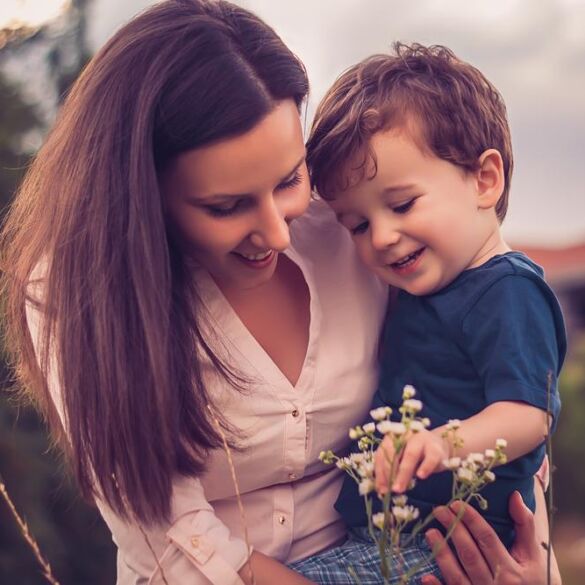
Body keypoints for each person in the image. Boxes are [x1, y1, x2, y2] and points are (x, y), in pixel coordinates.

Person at [0, 2, 560, 584]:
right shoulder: (76, 299)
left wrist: (536, 568)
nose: (276, 231)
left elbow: (501, 401)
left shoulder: (358, 226)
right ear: (143, 197)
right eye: (226, 206)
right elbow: (169, 539)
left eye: (291, 180)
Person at [292, 43, 566, 583]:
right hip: (399, 533)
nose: (383, 237)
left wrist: (442, 445)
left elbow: (527, 415)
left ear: (485, 180)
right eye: (358, 225)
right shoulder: (429, 289)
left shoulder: (508, 289)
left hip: (450, 545)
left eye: (401, 204)